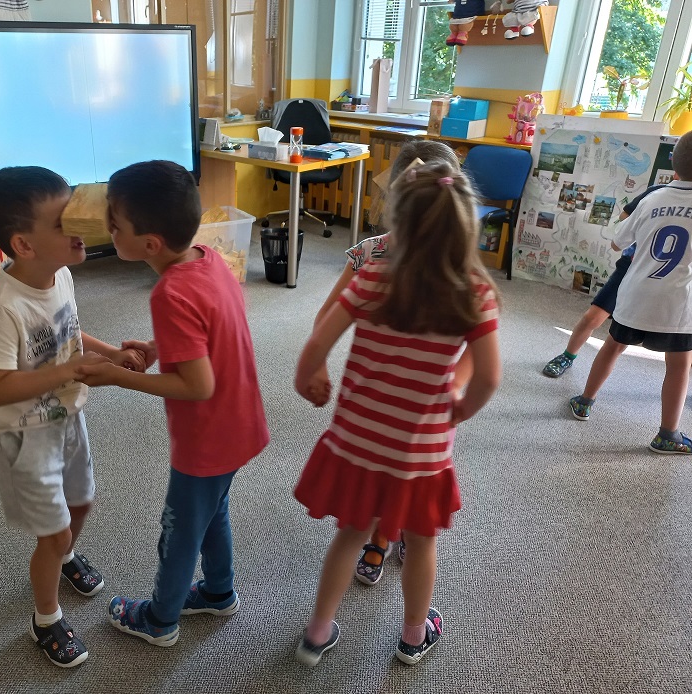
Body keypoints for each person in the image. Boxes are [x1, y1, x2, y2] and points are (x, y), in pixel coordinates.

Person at [292, 162, 501, 667]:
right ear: (465, 227)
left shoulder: (372, 277)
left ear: (397, 225)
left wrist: (309, 378)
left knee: (350, 534)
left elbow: (319, 339)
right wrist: (459, 409)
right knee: (422, 543)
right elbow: (490, 377)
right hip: (419, 454)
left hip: (358, 442)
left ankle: (316, 634)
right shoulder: (474, 293)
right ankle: (412, 635)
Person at [78, 160, 270, 647]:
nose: (108, 232)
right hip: (240, 422)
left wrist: (119, 378)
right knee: (212, 512)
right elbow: (212, 330)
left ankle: (160, 619)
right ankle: (219, 592)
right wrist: (159, 347)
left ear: (150, 245)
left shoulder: (169, 293)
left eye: (115, 226)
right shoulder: (209, 259)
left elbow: (197, 385)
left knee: (179, 531)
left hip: (207, 438)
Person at [0, 166, 146, 667]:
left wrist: (111, 353)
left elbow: (69, 329)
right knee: (50, 533)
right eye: (62, 222)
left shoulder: (61, 275)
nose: (80, 227)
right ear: (23, 245)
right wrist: (69, 369)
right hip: (25, 435)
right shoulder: (1, 306)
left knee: (82, 503)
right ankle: (45, 619)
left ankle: (66, 554)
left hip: (68, 417)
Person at [309, 139, 472, 586]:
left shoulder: (449, 263)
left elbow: (477, 343)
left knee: (400, 474)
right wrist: (317, 364)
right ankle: (381, 538)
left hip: (408, 396)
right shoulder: (375, 253)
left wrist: (457, 385)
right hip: (393, 394)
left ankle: (393, 535)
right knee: (393, 471)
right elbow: (327, 315)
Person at [568, 131, 692, 454]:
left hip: (635, 295)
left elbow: (616, 242)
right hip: (678, 306)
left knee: (613, 346)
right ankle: (667, 434)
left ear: (674, 166)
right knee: (679, 365)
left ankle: (584, 402)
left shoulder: (652, 198)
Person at [542, 182, 670, 378]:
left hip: (670, 279)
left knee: (677, 341)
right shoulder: (656, 191)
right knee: (593, 317)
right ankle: (567, 356)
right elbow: (624, 216)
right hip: (631, 266)